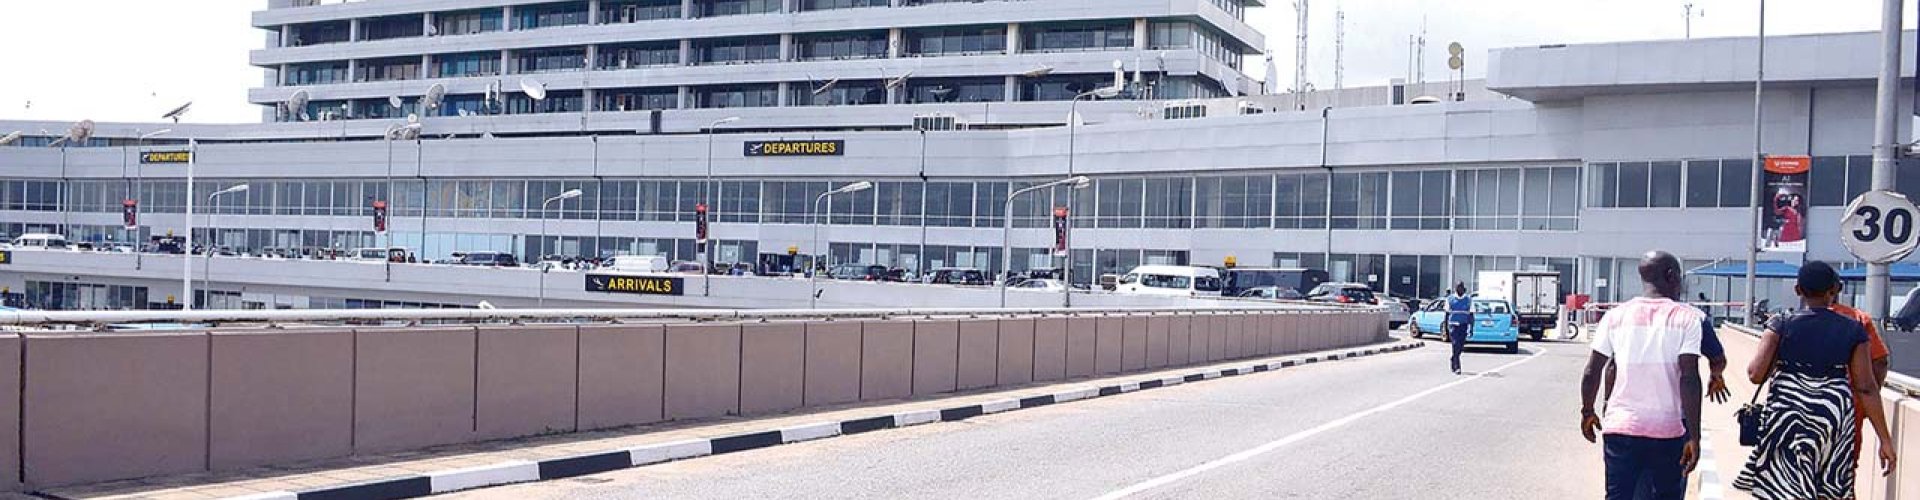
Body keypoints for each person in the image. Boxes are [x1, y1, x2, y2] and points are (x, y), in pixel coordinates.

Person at [1734, 261, 1896, 499]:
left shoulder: (1781, 323)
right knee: (1828, 486)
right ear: (1834, 290)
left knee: (1784, 486)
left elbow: (1755, 374)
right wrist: (1885, 440)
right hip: (1832, 416)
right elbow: (1866, 387)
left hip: (1787, 416)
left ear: (1798, 290)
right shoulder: (1854, 329)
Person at [1580, 251, 1705, 500]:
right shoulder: (1686, 318)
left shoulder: (1615, 316)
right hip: (1666, 432)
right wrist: (1694, 435)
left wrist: (1587, 411)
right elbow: (1689, 378)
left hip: (1620, 429)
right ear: (1671, 276)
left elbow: (1593, 370)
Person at [1445, 283, 1473, 374]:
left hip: (1463, 325)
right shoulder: (1450, 299)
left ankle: (1453, 358)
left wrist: (1471, 328)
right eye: (1457, 287)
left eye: (1460, 287)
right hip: (1453, 325)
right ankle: (1457, 367)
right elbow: (1446, 314)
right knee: (1455, 344)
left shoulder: (1468, 300)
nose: (1459, 289)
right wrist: (1446, 328)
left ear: (1463, 288)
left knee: (1460, 346)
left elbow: (1471, 315)